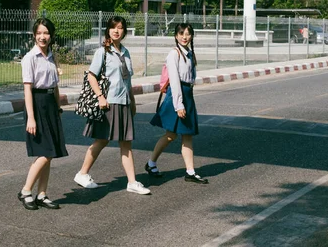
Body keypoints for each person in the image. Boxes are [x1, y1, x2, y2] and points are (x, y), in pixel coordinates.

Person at [73, 16, 151, 195]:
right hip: (108, 102)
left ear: (124, 32)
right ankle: (82, 173)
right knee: (102, 139)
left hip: (123, 102)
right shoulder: (103, 52)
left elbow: (127, 80)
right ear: (108, 30)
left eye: (120, 28)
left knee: (126, 143)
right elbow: (92, 75)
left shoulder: (125, 52)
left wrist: (131, 101)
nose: (117, 30)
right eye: (113, 27)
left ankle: (132, 182)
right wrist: (100, 97)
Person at [146, 23, 208, 184]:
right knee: (170, 135)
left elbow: (191, 77)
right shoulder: (174, 54)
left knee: (187, 135)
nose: (184, 36)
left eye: (187, 34)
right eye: (181, 33)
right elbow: (174, 80)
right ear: (175, 36)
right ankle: (151, 163)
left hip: (187, 94)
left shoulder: (189, 53)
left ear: (192, 36)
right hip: (177, 95)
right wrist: (179, 104)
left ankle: (190, 172)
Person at [18, 18, 68, 210]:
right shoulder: (30, 58)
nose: (42, 37)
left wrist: (58, 107)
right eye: (39, 33)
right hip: (36, 105)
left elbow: (54, 86)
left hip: (50, 105)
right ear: (34, 35)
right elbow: (27, 90)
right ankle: (25, 191)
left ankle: (42, 194)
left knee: (51, 152)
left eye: (46, 33)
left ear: (51, 36)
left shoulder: (50, 56)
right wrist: (31, 117)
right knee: (44, 153)